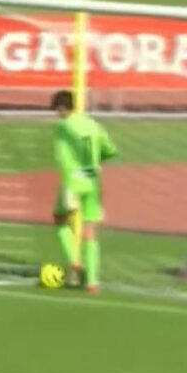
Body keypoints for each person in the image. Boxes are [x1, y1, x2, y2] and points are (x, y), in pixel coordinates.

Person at [50, 90, 118, 293]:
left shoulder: (63, 127)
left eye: (56, 110)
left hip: (73, 182)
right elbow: (110, 151)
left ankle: (74, 260)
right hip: (93, 181)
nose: (56, 114)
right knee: (90, 230)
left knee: (60, 218)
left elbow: (61, 157)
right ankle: (92, 281)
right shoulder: (93, 125)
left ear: (62, 109)